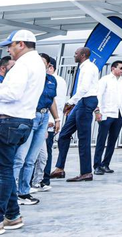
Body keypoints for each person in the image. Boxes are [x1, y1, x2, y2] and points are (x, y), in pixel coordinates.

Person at [0, 30, 46, 231]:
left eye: (10, 45)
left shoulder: (22, 65)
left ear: (21, 44)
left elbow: (12, 93)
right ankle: (13, 216)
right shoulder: (37, 63)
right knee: (6, 170)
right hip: (24, 121)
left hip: (9, 121)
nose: (8, 50)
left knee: (3, 172)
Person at [12, 50, 56, 207]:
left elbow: (51, 100)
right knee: (19, 158)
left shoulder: (51, 80)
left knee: (31, 159)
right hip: (30, 117)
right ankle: (11, 194)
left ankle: (24, 192)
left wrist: (56, 118)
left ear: (47, 65)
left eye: (43, 62)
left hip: (43, 118)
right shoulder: (28, 78)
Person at [50, 47, 99, 182]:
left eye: (76, 53)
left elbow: (84, 88)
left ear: (83, 55)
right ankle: (59, 168)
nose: (74, 55)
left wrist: (70, 102)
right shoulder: (84, 67)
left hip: (85, 101)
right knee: (64, 135)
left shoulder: (88, 68)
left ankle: (86, 172)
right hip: (82, 102)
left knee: (83, 139)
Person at [92, 60, 122, 175]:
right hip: (106, 113)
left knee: (112, 141)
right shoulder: (105, 80)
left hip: (119, 114)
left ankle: (106, 164)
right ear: (113, 68)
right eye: (121, 68)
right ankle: (97, 165)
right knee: (101, 140)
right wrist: (97, 111)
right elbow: (98, 95)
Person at [35, 57, 66, 191]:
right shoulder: (36, 80)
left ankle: (42, 180)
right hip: (40, 119)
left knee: (44, 154)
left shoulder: (54, 81)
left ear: (50, 66)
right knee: (33, 154)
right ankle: (37, 181)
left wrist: (56, 119)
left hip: (47, 120)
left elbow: (53, 101)